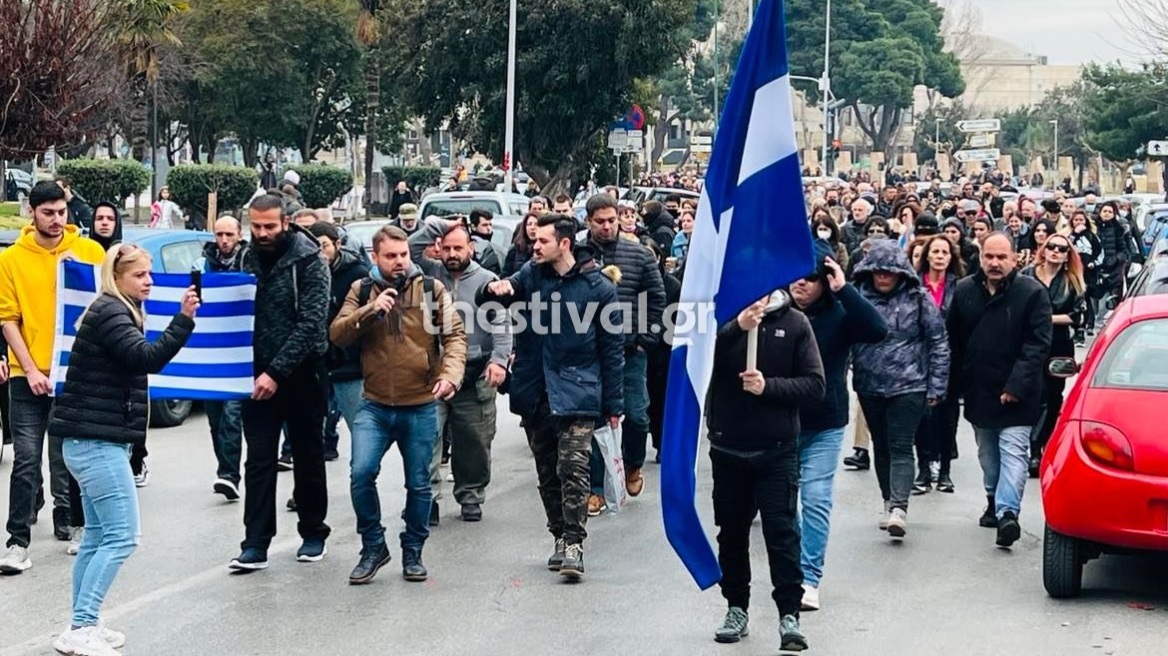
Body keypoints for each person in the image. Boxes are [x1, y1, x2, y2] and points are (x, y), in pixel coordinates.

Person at [48, 244, 198, 656]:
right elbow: (146, 358)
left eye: (149, 273)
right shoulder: (113, 312)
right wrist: (184, 320)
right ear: (117, 278)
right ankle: (82, 626)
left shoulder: (113, 309)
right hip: (96, 444)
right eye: (140, 275)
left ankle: (83, 623)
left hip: (90, 441)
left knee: (97, 537)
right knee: (122, 537)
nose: (149, 281)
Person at [477, 213, 624, 580]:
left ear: (564, 243)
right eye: (534, 240)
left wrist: (613, 404)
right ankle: (559, 535)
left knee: (573, 468)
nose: (535, 246)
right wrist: (494, 289)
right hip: (536, 390)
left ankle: (574, 543)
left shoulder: (597, 288)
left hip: (579, 391)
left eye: (542, 241)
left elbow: (612, 351)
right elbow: (498, 296)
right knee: (548, 472)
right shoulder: (531, 274)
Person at [330, 225, 467, 584]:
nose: (399, 262)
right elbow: (338, 334)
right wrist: (370, 310)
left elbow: (455, 335)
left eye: (403, 254)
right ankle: (373, 546)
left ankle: (413, 550)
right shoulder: (361, 289)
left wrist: (450, 375)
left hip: (420, 403)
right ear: (375, 257)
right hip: (374, 404)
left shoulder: (431, 289)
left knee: (419, 484)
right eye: (390, 256)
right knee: (361, 473)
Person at [706, 289, 825, 651]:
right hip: (728, 447)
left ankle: (789, 614)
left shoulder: (795, 323)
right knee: (731, 533)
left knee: (782, 534)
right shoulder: (717, 318)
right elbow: (691, 363)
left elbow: (814, 385)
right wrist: (736, 329)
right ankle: (736, 607)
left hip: (776, 450)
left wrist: (767, 386)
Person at [0, 182, 106, 574]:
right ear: (32, 212)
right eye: (48, 213)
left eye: (62, 212)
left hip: (74, 373)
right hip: (26, 374)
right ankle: (17, 542)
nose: (57, 219)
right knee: (26, 459)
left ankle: (76, 523)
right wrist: (29, 369)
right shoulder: (11, 259)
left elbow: (105, 307)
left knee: (71, 456)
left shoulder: (88, 252)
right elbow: (8, 319)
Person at [229, 193, 332, 572]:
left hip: (303, 373)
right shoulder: (245, 257)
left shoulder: (310, 260)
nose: (262, 233)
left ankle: (313, 532)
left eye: (269, 226)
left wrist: (276, 372)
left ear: (285, 223)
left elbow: (311, 324)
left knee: (307, 456)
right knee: (258, 460)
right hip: (254, 375)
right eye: (256, 226)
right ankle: (255, 543)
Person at [789, 243, 887, 611]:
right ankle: (792, 567)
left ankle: (809, 577)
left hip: (824, 424)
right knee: (782, 504)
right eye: (796, 275)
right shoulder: (774, 309)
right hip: (779, 422)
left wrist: (843, 288)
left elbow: (877, 329)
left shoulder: (840, 313)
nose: (801, 282)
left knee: (816, 499)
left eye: (811, 277)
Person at [947, 233, 1052, 549]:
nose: (994, 263)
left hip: (1019, 393)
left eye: (1001, 257)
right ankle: (993, 499)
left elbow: (1037, 345)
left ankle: (1008, 513)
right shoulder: (964, 291)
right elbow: (953, 342)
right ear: (981, 258)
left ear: (1014, 259)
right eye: (989, 256)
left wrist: (1015, 385)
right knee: (988, 454)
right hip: (979, 390)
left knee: (1014, 451)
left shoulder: (1032, 293)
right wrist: (950, 387)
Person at [408, 219, 513, 522]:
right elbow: (411, 247)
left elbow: (502, 323)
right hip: (433, 374)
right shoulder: (428, 274)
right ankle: (426, 499)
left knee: (474, 440)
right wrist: (439, 226)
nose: (452, 254)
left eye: (458, 247)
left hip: (474, 373)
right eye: (447, 248)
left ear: (471, 248)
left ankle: (471, 495)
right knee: (425, 438)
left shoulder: (487, 280)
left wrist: (499, 360)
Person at [850, 241, 949, 538]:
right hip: (869, 384)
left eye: (889, 272)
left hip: (910, 384)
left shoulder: (918, 298)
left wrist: (937, 386)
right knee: (880, 445)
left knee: (900, 445)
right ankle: (887, 500)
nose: (883, 277)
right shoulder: (857, 297)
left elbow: (938, 341)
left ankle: (899, 507)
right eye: (878, 271)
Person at [578, 194, 665, 514]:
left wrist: (646, 339)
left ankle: (632, 463)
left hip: (630, 351)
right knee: (594, 420)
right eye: (600, 221)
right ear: (588, 221)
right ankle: (596, 487)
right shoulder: (577, 255)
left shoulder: (639, 255)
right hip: (588, 354)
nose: (607, 227)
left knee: (637, 415)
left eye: (612, 220)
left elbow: (657, 300)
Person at [1020, 233, 1085, 476]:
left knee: (1052, 396)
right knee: (1031, 392)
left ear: (1068, 256)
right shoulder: (1027, 276)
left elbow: (1077, 316)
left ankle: (1039, 446)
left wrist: (1045, 319)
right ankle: (1031, 446)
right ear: (1044, 250)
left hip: (1059, 345)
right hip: (1028, 342)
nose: (1056, 251)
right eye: (1052, 247)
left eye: (1062, 249)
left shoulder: (1072, 282)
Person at [196, 216, 250, 501]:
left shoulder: (250, 261)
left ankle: (229, 475)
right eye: (219, 234)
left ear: (239, 234)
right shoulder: (203, 264)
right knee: (215, 418)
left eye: (229, 234)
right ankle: (225, 470)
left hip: (240, 352)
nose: (224, 240)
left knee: (231, 415)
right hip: (212, 351)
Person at [309, 222, 370, 462]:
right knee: (312, 429)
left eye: (324, 246)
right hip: (317, 362)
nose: (321, 253)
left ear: (337, 244)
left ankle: (363, 475)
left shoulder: (357, 274)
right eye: (315, 247)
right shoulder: (306, 273)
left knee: (360, 428)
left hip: (350, 365)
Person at [913, 235, 966, 494]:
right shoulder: (913, 285)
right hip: (919, 357)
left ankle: (945, 471)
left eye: (945, 252)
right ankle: (923, 468)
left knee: (948, 416)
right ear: (927, 255)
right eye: (935, 251)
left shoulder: (960, 286)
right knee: (922, 415)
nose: (940, 256)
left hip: (952, 358)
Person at [468, 209, 505, 275]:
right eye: (484, 225)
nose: (489, 228)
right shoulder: (470, 246)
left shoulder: (495, 248)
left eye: (490, 225)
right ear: (473, 227)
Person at [503, 212, 539, 277]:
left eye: (536, 224)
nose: (532, 227)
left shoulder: (545, 249)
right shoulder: (515, 248)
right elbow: (506, 274)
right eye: (529, 224)